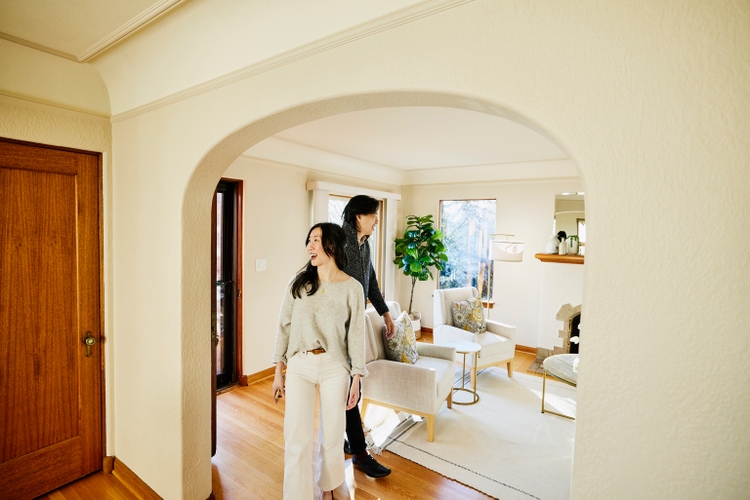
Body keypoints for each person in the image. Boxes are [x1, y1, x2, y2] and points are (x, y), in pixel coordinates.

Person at [272, 222, 367, 500]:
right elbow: (284, 327)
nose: (310, 246)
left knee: (333, 434)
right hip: (299, 364)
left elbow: (356, 336)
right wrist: (279, 369)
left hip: (335, 366)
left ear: (333, 246)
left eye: (316, 240)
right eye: (309, 240)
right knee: (296, 438)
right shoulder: (298, 282)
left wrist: (357, 378)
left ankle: (329, 488)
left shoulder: (353, 288)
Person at [340, 195, 394, 478]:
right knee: (350, 389)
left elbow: (370, 280)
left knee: (349, 389)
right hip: (338, 329)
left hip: (354, 325)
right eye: (373, 215)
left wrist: (385, 313)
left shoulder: (364, 244)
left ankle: (346, 442)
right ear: (358, 216)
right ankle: (360, 453)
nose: (376, 220)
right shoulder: (339, 243)